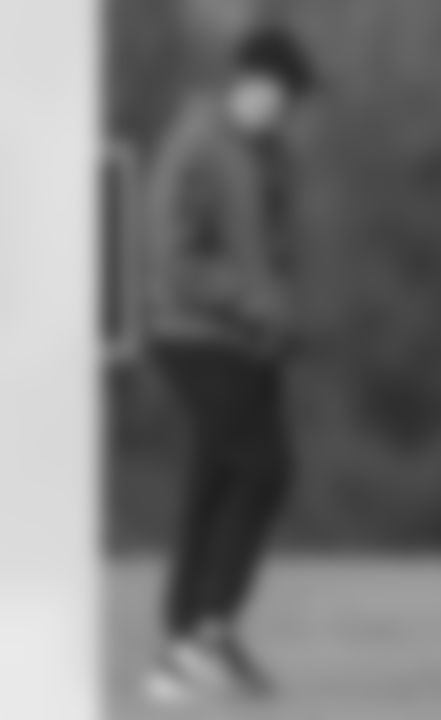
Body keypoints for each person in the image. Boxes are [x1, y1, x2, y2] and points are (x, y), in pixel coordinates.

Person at [137, 26, 317, 704]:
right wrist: (255, 303)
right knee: (265, 466)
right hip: (193, 332)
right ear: (251, 83)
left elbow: (274, 253)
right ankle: (206, 633)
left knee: (217, 479)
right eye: (284, 94)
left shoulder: (270, 154)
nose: (289, 108)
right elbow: (173, 256)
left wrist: (283, 315)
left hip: (247, 340)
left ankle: (184, 646)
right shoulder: (198, 142)